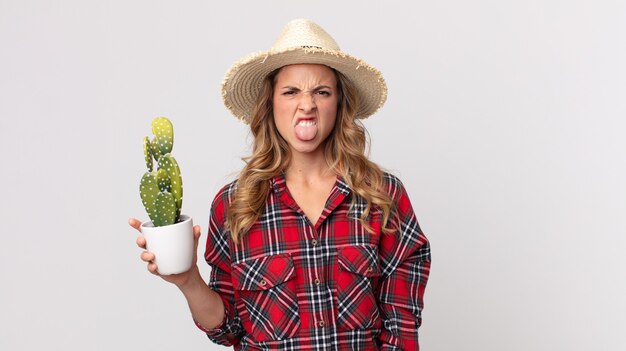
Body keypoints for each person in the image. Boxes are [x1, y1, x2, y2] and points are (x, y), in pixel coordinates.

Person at [129, 19, 431, 350]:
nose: (307, 105)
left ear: (339, 104)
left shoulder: (382, 196)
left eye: (322, 91)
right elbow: (227, 329)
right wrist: (188, 280)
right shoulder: (235, 206)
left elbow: (400, 329)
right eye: (291, 91)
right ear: (270, 104)